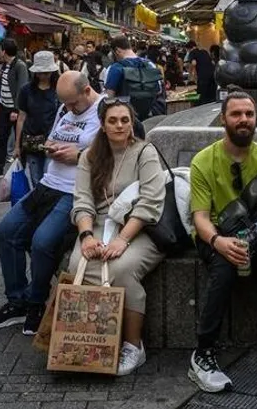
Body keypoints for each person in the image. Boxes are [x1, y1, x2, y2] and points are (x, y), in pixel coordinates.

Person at [187, 91, 257, 394]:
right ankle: (203, 353)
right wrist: (218, 241)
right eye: (236, 114)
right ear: (224, 119)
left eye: (249, 114)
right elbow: (200, 216)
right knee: (223, 271)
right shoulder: (204, 161)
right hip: (218, 234)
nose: (243, 120)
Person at [0, 72, 102, 335]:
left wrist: (80, 155)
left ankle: (36, 301)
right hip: (48, 184)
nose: (69, 109)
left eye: (73, 104)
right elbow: (50, 138)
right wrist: (51, 147)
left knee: (42, 242)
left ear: (87, 91)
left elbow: (122, 147)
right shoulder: (63, 109)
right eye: (65, 104)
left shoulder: (104, 110)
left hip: (74, 191)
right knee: (7, 231)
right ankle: (17, 300)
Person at [67, 97, 168, 376]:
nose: (120, 125)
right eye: (113, 120)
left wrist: (123, 239)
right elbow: (82, 200)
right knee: (78, 266)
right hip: (98, 225)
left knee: (121, 270)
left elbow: (151, 203)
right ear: (102, 124)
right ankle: (94, 342)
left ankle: (133, 346)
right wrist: (87, 236)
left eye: (125, 119)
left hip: (139, 227)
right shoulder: (89, 155)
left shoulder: (144, 152)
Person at [14, 50, 60, 188]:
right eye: (40, 72)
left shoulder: (59, 89)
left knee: (49, 178)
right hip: (31, 140)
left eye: (46, 72)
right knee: (35, 179)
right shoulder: (26, 90)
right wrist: (17, 145)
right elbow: (21, 118)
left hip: (52, 141)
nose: (43, 75)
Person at [0, 39, 29, 180]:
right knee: (2, 138)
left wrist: (16, 110)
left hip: (14, 109)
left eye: (0, 50)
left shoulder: (20, 66)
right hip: (3, 107)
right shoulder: (3, 65)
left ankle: (22, 166)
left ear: (4, 51)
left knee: (19, 138)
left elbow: (22, 88)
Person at [104, 35, 165, 121]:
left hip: (125, 119)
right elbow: (159, 91)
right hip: (150, 116)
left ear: (117, 51)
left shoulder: (115, 68)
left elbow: (109, 97)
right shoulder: (150, 64)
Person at [185, 40, 217, 105]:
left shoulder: (192, 53)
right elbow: (212, 63)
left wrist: (191, 75)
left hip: (203, 77)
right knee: (212, 96)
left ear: (189, 48)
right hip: (213, 76)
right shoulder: (204, 51)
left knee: (202, 98)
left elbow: (194, 63)